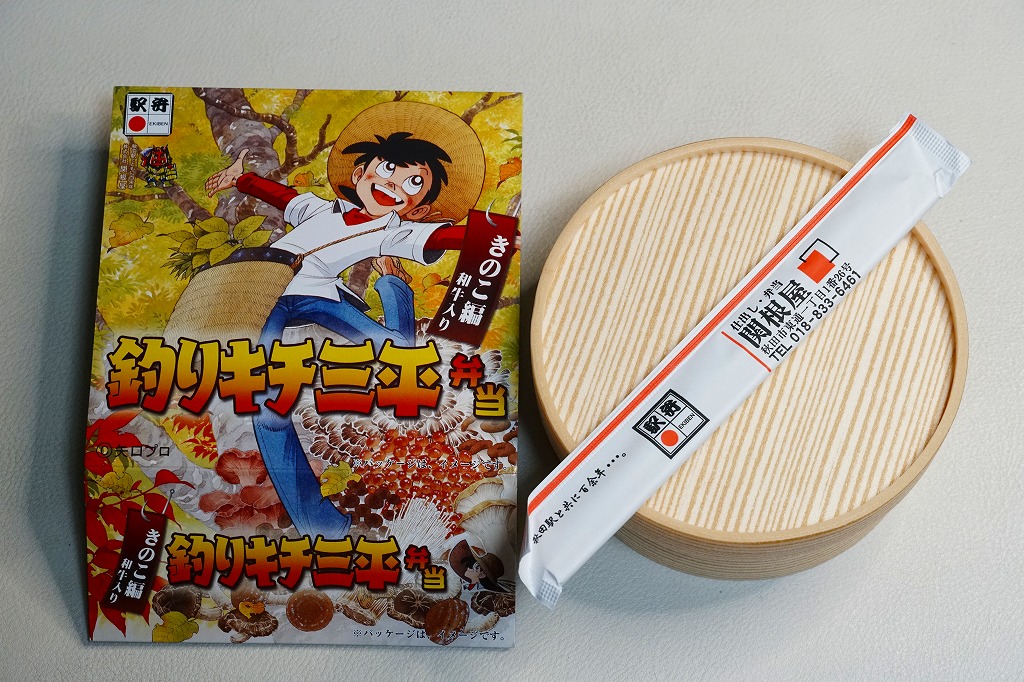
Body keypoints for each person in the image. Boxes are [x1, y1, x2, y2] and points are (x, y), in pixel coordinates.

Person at [205, 101, 486, 539]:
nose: (394, 184)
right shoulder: (321, 210)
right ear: (359, 174)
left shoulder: (396, 229)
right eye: (388, 170)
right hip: (269, 292)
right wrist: (239, 179)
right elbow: (282, 197)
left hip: (319, 297)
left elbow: (449, 235)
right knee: (267, 402)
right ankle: (318, 521)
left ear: (417, 206)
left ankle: (394, 288)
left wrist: (495, 235)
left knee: (398, 352)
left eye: (413, 183)